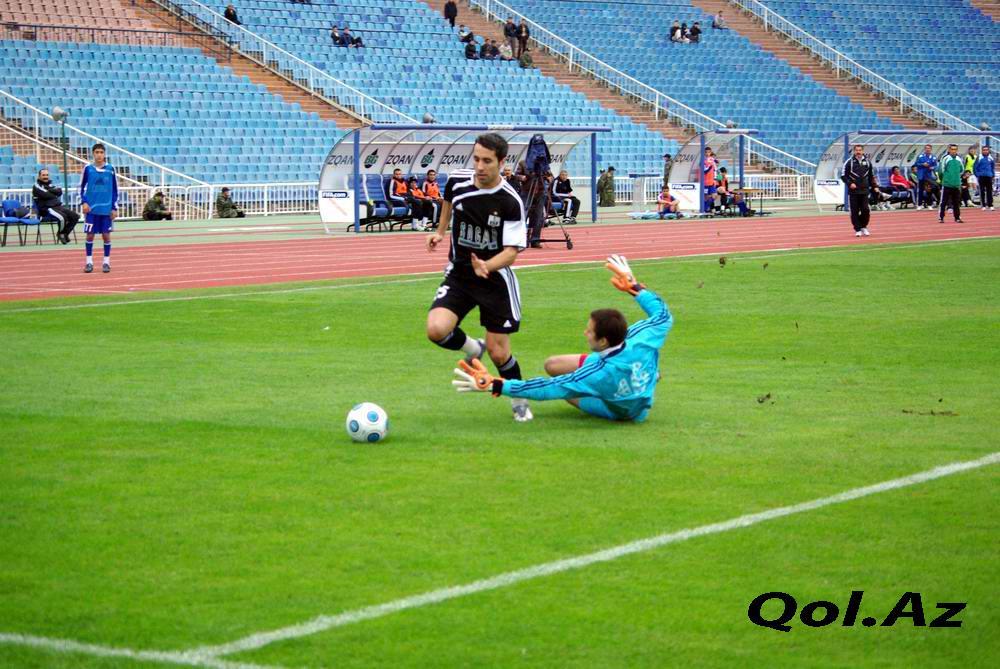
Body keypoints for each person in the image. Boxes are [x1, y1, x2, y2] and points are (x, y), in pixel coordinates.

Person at [453, 255, 672, 424]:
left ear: (603, 341)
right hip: (631, 368)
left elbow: (547, 388)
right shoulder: (641, 337)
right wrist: (634, 287)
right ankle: (646, 375)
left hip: (626, 412)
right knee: (552, 365)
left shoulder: (597, 373)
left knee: (568, 390)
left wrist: (494, 384)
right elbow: (663, 315)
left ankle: (638, 382)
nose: (585, 333)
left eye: (589, 331)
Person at [425, 133, 532, 422]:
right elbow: (448, 201)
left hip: (495, 280)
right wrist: (440, 231)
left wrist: (487, 265)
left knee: (499, 354)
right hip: (460, 274)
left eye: (487, 161)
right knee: (436, 329)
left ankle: (519, 399)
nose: (480, 166)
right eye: (476, 159)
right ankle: (473, 348)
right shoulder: (458, 181)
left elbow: (511, 252)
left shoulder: (510, 201)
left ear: (501, 162)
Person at [79, 143, 118, 273]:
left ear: (104, 154)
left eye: (101, 152)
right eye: (97, 152)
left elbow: (115, 190)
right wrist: (84, 202)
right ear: (93, 154)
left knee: (106, 236)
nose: (99, 155)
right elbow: (81, 187)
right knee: (90, 236)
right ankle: (89, 262)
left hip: (106, 210)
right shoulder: (88, 169)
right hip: (91, 209)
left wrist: (114, 207)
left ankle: (106, 262)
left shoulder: (111, 169)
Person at [32, 167, 79, 244]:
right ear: (39, 176)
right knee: (62, 217)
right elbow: (47, 195)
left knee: (75, 216)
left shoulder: (50, 184)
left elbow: (60, 191)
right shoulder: (36, 186)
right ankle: (61, 234)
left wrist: (50, 190)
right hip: (46, 209)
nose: (45, 177)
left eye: (47, 175)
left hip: (57, 206)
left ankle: (63, 233)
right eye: (43, 175)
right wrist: (53, 193)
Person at [840, 143, 878, 237]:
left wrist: (875, 186)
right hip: (853, 192)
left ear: (863, 151)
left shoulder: (868, 162)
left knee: (866, 210)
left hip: (864, 190)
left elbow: (871, 176)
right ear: (854, 151)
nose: (858, 152)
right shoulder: (849, 162)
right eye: (856, 150)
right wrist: (850, 183)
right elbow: (843, 176)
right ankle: (857, 229)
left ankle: (863, 226)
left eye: (860, 150)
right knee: (854, 211)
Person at [936, 143, 963, 224]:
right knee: (943, 202)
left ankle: (957, 217)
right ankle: (941, 217)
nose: (953, 151)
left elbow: (962, 170)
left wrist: (957, 178)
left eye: (955, 149)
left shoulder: (959, 159)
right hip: (947, 184)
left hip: (956, 184)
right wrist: (944, 180)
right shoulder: (945, 158)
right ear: (949, 150)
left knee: (956, 202)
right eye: (952, 149)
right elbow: (941, 171)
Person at [913, 144, 938, 209]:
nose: (927, 149)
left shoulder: (933, 157)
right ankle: (919, 205)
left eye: (929, 148)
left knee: (929, 190)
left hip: (929, 176)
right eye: (926, 148)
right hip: (921, 175)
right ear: (924, 149)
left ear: (931, 149)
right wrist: (922, 164)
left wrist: (932, 167)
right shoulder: (920, 156)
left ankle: (929, 204)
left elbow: (936, 166)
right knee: (920, 190)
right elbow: (916, 164)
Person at [973, 145, 995, 210]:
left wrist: (993, 175)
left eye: (986, 150)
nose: (985, 151)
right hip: (981, 176)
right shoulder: (979, 157)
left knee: (989, 191)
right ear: (982, 151)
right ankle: (983, 205)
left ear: (988, 151)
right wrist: (977, 175)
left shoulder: (991, 158)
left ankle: (990, 205)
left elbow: (992, 167)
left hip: (989, 176)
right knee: (982, 191)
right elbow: (975, 167)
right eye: (984, 150)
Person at [702, 146, 717, 212]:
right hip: (705, 182)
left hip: (712, 182)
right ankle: (704, 209)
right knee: (706, 197)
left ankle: (705, 208)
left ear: (710, 152)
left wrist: (715, 178)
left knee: (714, 196)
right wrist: (710, 167)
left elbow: (715, 169)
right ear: (704, 153)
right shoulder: (703, 160)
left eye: (709, 152)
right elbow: (704, 171)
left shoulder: (712, 160)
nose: (707, 153)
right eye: (706, 152)